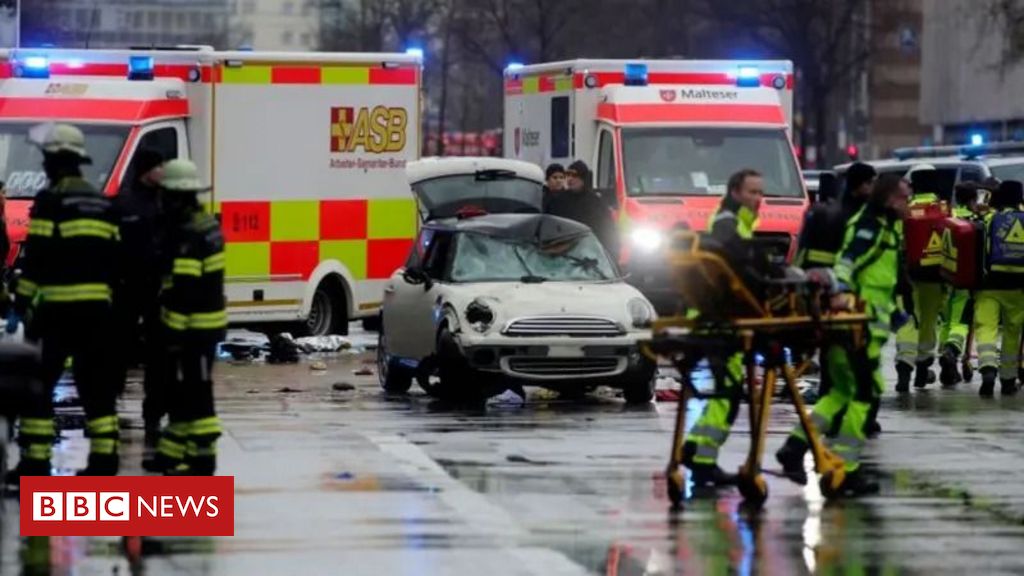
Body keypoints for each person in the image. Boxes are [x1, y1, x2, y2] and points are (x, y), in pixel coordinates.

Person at [776, 174, 912, 496]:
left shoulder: (884, 227)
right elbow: (847, 264)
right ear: (891, 200)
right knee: (864, 394)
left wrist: (893, 312)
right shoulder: (873, 228)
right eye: (905, 198)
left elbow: (878, 278)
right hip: (856, 326)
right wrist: (842, 294)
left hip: (858, 324)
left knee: (838, 394)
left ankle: (795, 447)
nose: (909, 205)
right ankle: (846, 467)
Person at [5, 124, 122, 484]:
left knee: (39, 388)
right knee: (97, 389)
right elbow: (116, 259)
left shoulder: (51, 202)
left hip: (56, 313)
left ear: (54, 161)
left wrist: (18, 303)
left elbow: (37, 259)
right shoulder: (101, 202)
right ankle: (104, 462)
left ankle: (35, 464)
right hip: (98, 314)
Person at [681, 168, 765, 487]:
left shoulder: (731, 222)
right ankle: (701, 458)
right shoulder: (729, 227)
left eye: (761, 193)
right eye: (752, 193)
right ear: (734, 192)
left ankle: (697, 452)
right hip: (720, 322)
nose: (758, 199)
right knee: (728, 394)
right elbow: (741, 273)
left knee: (725, 393)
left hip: (715, 319)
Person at [143, 159, 226, 475]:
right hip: (204, 326)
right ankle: (171, 453)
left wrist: (172, 335)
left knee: (197, 394)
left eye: (165, 194)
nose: (161, 200)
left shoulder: (189, 233)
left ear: (176, 196)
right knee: (182, 391)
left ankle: (203, 459)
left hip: (193, 330)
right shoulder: (206, 225)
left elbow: (185, 290)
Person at [114, 148, 167, 444]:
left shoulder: (165, 203)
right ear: (147, 170)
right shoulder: (125, 204)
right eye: (158, 166)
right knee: (118, 356)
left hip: (156, 294)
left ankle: (152, 417)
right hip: (127, 291)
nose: (163, 171)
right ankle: (111, 409)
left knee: (158, 361)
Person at [894, 164, 946, 392]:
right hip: (936, 276)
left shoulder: (906, 209)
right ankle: (923, 369)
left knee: (909, 319)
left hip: (909, 274)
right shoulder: (944, 209)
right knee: (928, 321)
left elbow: (896, 240)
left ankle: (904, 368)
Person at [974, 180, 1024, 397]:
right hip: (1019, 287)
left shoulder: (990, 218)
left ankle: (987, 369)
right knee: (1012, 331)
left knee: (987, 327)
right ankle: (1008, 380)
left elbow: (980, 249)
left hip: (990, 285)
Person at [938, 182, 981, 387]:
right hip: (966, 283)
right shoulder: (975, 220)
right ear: (973, 199)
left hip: (946, 279)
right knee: (961, 323)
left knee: (946, 323)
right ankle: (952, 351)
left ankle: (948, 361)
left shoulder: (949, 217)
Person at [544, 160, 620, 260]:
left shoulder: (596, 203)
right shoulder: (558, 201)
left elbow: (607, 231)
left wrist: (611, 256)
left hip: (592, 256)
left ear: (583, 178)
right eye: (568, 175)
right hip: (564, 257)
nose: (570, 179)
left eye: (574, 176)